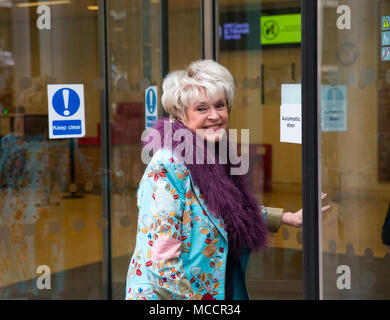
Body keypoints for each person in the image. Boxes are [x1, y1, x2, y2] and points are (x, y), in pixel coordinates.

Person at [125, 60, 329, 300]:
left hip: (214, 288)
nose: (215, 115)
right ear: (180, 115)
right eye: (202, 109)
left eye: (220, 105)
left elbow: (227, 210)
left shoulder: (214, 153)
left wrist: (285, 218)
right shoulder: (168, 165)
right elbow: (161, 257)